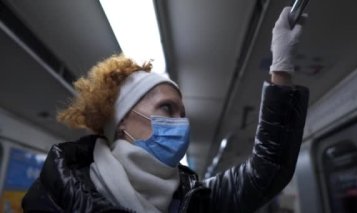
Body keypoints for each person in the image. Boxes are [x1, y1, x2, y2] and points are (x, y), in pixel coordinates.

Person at [22, 7, 309, 213]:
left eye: (182, 114)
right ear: (121, 122)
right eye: (167, 108)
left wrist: (280, 71)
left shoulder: (196, 198)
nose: (180, 124)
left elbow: (267, 170)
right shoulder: (58, 194)